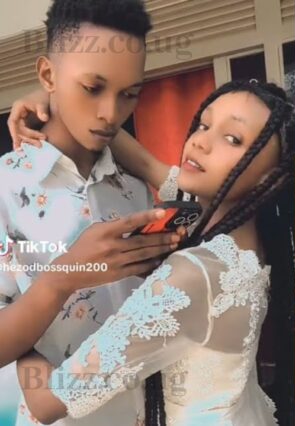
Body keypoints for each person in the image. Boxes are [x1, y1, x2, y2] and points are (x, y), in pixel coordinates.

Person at [13, 80, 294, 425]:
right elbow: (146, 163)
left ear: (269, 179)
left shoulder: (192, 274)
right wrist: (57, 98)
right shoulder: (249, 239)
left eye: (232, 139)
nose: (201, 141)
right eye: (204, 124)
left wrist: (23, 335)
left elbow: (47, 403)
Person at [0, 1, 182, 424]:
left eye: (129, 94)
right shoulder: (6, 188)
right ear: (48, 76)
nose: (111, 114)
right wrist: (63, 278)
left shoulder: (135, 190)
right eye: (92, 87)